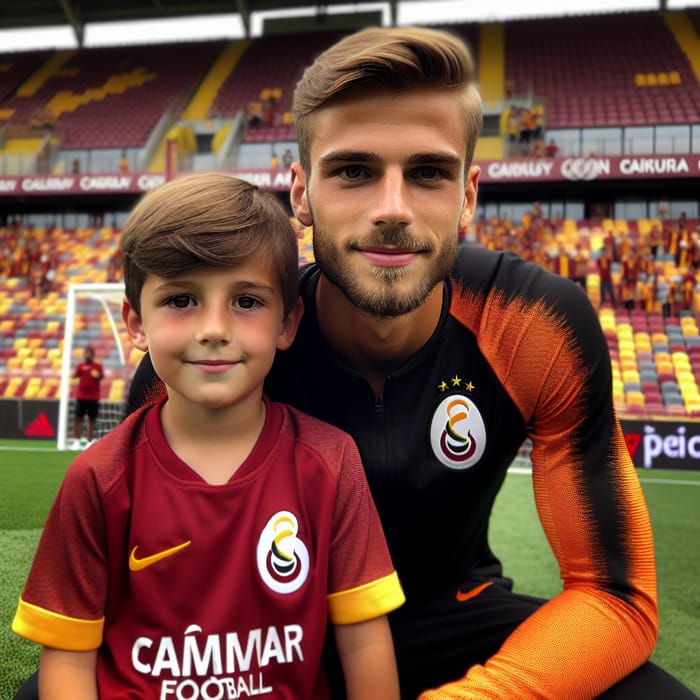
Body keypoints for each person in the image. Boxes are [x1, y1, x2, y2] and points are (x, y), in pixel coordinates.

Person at [17, 26, 697, 700]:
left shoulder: (534, 324)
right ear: (301, 192)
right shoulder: (217, 350)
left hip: (457, 618)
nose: (392, 210)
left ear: (468, 194)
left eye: (428, 172)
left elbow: (615, 595)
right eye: (353, 171)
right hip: (259, 638)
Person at [12, 174, 404, 699]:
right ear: (136, 324)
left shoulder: (330, 461)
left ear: (288, 323)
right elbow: (68, 660)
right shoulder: (100, 477)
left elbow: (362, 642)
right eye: (180, 300)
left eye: (246, 302)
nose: (214, 328)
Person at [71, 344, 104, 449]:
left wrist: (98, 375)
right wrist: (75, 372)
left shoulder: (97, 367)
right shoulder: (81, 366)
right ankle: (77, 441)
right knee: (78, 418)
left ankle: (89, 441)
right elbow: (74, 375)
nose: (87, 355)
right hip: (81, 397)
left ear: (93, 355)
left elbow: (101, 377)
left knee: (91, 420)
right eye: (86, 353)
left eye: (89, 353)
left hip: (93, 398)